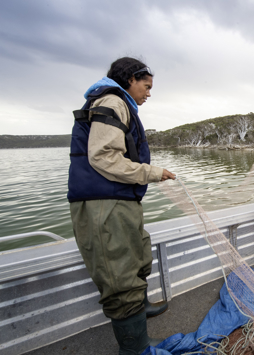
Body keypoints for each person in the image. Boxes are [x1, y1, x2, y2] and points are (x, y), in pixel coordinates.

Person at [67, 57, 176, 354]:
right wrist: (153, 173)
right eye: (147, 85)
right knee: (120, 275)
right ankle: (135, 347)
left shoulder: (120, 104)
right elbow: (104, 158)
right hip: (104, 204)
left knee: (137, 258)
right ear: (130, 78)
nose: (149, 93)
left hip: (120, 200)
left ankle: (139, 310)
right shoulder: (113, 102)